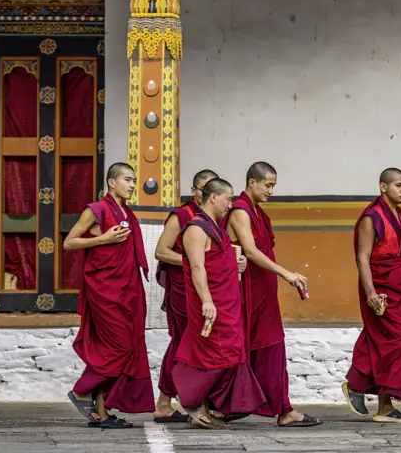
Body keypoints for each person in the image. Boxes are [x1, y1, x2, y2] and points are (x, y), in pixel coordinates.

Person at [225, 161, 322, 428]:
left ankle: (276, 407)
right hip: (245, 291)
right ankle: (237, 404)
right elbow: (252, 251)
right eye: (268, 185)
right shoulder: (240, 211)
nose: (271, 191)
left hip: (263, 290)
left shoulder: (258, 212)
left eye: (274, 186)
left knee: (270, 348)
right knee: (244, 346)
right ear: (251, 182)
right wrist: (286, 273)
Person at [64, 162, 154, 428]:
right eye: (127, 179)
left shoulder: (127, 212)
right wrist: (102, 240)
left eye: (134, 180)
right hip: (104, 291)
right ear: (111, 182)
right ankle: (81, 390)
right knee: (118, 347)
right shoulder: (97, 210)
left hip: (127, 289)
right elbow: (69, 242)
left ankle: (102, 413)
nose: (132, 185)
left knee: (127, 348)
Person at [173, 178, 263, 429]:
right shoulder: (196, 229)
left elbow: (218, 260)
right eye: (228, 198)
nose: (230, 204)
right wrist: (207, 301)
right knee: (212, 353)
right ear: (213, 197)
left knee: (230, 351)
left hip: (227, 302)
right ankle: (191, 401)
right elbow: (197, 266)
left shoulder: (216, 226)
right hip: (210, 304)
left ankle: (205, 406)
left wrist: (237, 264)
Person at [341, 168, 401, 424]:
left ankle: (381, 404)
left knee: (384, 342)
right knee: (391, 342)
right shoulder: (372, 217)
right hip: (381, 288)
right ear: (383, 187)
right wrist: (370, 292)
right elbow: (362, 257)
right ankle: (361, 389)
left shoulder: (400, 216)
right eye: (399, 185)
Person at [153, 169, 219, 423]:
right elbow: (161, 251)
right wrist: (192, 260)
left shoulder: (213, 217)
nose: (209, 195)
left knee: (191, 344)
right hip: (183, 289)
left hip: (206, 288)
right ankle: (190, 403)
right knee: (186, 345)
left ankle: (167, 402)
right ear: (194, 192)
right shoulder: (182, 216)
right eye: (204, 189)